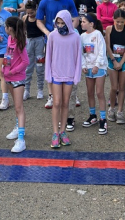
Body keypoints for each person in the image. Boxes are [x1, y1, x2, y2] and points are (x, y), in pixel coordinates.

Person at [36, 0, 80, 115]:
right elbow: (39, 21)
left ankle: (72, 93)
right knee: (51, 64)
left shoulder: (68, 0)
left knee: (69, 63)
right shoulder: (44, 2)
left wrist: (70, 30)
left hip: (67, 36)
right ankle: (51, 95)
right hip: (51, 37)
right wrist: (48, 33)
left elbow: (76, 18)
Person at [45, 10, 82, 148]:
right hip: (56, 74)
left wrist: (77, 76)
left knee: (66, 103)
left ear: (68, 22)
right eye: (58, 23)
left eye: (63, 23)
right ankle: (55, 133)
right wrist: (49, 75)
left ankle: (63, 131)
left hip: (70, 75)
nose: (60, 26)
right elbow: (48, 56)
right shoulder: (53, 36)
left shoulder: (76, 37)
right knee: (56, 102)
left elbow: (79, 58)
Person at [2, 16, 30, 153]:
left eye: (6, 26)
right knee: (16, 106)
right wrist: (4, 68)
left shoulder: (20, 42)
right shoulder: (9, 39)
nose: (4, 28)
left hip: (17, 78)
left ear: (10, 28)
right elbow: (9, 55)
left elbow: (25, 61)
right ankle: (18, 128)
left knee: (19, 107)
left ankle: (21, 140)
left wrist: (13, 70)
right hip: (8, 77)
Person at [81, 14, 108, 134]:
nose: (81, 23)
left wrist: (97, 65)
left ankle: (103, 119)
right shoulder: (81, 36)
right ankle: (93, 115)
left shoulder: (98, 34)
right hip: (88, 68)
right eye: (81, 21)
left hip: (99, 67)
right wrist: (83, 66)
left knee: (99, 93)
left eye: (84, 22)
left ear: (91, 24)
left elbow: (102, 50)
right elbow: (81, 53)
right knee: (90, 92)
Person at [105, 9, 125, 125]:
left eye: (122, 22)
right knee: (114, 87)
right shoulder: (109, 29)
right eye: (117, 21)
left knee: (122, 87)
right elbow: (108, 46)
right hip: (112, 59)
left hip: (124, 61)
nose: (119, 24)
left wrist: (121, 62)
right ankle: (111, 108)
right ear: (113, 20)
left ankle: (120, 111)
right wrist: (114, 61)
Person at [24, 1, 45, 101]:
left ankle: (40, 89)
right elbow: (23, 30)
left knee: (40, 66)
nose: (30, 15)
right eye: (28, 13)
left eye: (32, 12)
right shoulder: (25, 18)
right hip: (29, 41)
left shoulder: (40, 18)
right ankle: (26, 90)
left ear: (36, 10)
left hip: (39, 41)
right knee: (28, 67)